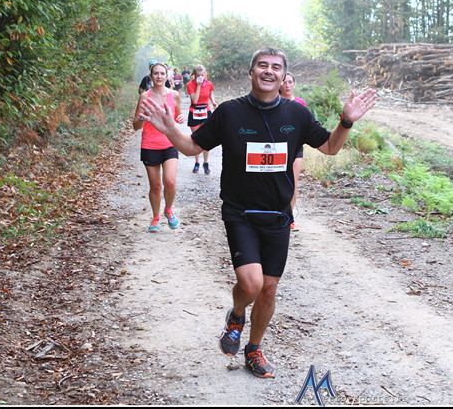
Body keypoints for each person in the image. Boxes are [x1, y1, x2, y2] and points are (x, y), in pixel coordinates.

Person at [139, 47, 377, 379]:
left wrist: (346, 120)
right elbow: (193, 147)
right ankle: (237, 314)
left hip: (278, 215)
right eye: (262, 65)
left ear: (283, 77)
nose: (269, 71)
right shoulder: (230, 112)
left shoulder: (297, 114)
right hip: (240, 212)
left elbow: (330, 147)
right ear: (251, 73)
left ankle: (253, 348)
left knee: (269, 288)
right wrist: (169, 129)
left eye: (276, 67)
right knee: (251, 284)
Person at [132, 62, 186, 232]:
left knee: (170, 181)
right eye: (156, 73)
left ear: (167, 76)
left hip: (170, 143)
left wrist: (181, 118)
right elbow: (135, 126)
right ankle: (156, 217)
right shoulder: (144, 97)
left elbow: (177, 117)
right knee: (155, 186)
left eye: (162, 73)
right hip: (150, 144)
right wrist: (143, 117)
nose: (159, 76)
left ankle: (168, 209)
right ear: (151, 76)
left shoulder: (174, 95)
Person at [279, 72, 306, 231]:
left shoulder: (300, 103)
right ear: (279, 84)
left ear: (294, 84)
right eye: (284, 82)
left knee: (293, 181)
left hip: (296, 147)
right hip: (278, 147)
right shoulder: (275, 101)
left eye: (290, 82)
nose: (287, 85)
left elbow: (306, 125)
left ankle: (290, 217)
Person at [185, 64, 217, 174]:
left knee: (206, 138)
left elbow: (210, 94)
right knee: (196, 139)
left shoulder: (209, 84)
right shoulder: (190, 84)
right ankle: (197, 162)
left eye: (202, 75)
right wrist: (198, 85)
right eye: (198, 75)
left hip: (205, 112)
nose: (200, 78)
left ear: (205, 74)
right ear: (194, 75)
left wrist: (213, 102)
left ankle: (206, 163)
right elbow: (194, 100)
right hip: (194, 112)